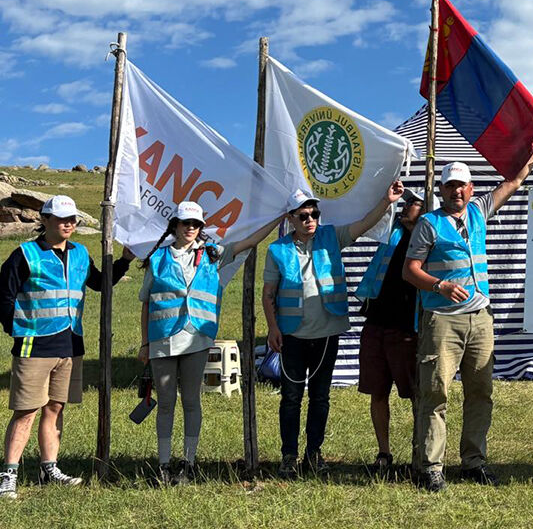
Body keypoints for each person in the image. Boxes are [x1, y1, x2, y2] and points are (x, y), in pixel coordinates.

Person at [403, 141, 533, 492]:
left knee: (480, 392)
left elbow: (513, 181)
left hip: (481, 318)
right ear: (441, 190)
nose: (455, 192)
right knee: (435, 393)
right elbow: (410, 271)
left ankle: (473, 462)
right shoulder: (428, 224)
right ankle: (431, 466)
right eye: (449, 186)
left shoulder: (480, 211)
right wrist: (439, 286)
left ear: (471, 189)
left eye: (461, 186)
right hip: (442, 320)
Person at [263, 181, 404, 478]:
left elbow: (364, 224)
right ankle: (289, 455)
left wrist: (386, 201)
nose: (310, 220)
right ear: (290, 219)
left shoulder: (332, 236)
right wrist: (273, 328)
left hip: (327, 332)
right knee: (290, 397)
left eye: (314, 214)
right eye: (303, 216)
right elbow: (268, 293)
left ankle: (313, 454)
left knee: (321, 396)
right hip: (292, 334)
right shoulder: (277, 250)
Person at [137, 201, 283, 485]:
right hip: (163, 339)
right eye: (185, 223)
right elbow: (145, 303)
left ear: (201, 228)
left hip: (197, 338)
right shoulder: (158, 259)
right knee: (166, 403)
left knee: (192, 401)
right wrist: (145, 343)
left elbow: (250, 241)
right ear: (175, 226)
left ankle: (188, 463)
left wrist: (277, 218)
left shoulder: (213, 254)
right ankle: (164, 465)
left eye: (196, 224)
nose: (190, 228)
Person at [0, 195, 134, 499]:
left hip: (71, 344)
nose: (68, 224)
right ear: (44, 220)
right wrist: (16, 329)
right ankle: (8, 473)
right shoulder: (25, 254)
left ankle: (49, 468)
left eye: (72, 219)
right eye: (61, 219)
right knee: (26, 411)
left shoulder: (81, 253)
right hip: (34, 345)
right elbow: (4, 297)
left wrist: (124, 261)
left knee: (55, 407)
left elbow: (99, 284)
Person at [353, 189, 425, 478]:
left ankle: (420, 452)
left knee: (415, 395)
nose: (406, 207)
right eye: (406, 202)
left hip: (407, 328)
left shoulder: (430, 239)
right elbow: (370, 217)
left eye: (414, 203)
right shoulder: (390, 232)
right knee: (377, 391)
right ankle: (384, 453)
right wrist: (388, 198)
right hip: (376, 324)